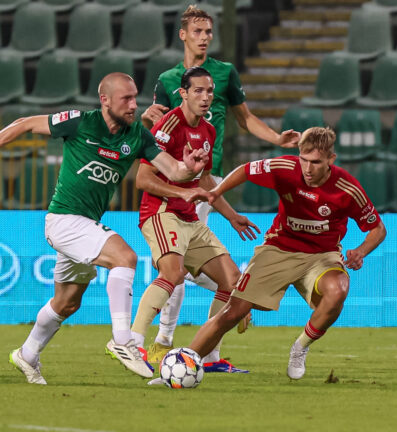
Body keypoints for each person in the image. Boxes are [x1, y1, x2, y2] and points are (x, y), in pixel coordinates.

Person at [0, 73, 210, 385]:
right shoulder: (80, 121)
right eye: (126, 99)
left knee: (67, 302)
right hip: (64, 220)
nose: (134, 105)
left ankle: (26, 355)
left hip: (85, 226)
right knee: (125, 258)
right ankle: (123, 339)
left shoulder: (137, 136)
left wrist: (190, 166)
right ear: (104, 100)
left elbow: (173, 170)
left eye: (135, 97)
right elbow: (24, 123)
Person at [139, 5, 301, 371]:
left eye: (208, 32)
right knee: (177, 270)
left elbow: (244, 119)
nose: (204, 37)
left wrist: (276, 137)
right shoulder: (168, 80)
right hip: (175, 185)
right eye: (197, 31)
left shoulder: (225, 74)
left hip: (207, 184)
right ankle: (164, 341)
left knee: (184, 270)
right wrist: (147, 118)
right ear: (183, 35)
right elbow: (155, 132)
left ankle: (202, 350)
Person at [172, 127, 386, 382]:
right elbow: (245, 170)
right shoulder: (285, 167)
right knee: (233, 311)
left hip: (322, 254)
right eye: (304, 160)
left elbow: (378, 229)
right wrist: (216, 193)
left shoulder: (346, 188)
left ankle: (300, 347)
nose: (307, 168)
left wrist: (361, 251)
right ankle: (184, 362)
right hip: (279, 247)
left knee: (338, 289)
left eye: (316, 162)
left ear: (331, 159)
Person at [130, 67, 259, 372]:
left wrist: (232, 216)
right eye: (198, 91)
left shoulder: (208, 131)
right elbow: (143, 179)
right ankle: (132, 343)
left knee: (232, 282)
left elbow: (203, 181)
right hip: (162, 212)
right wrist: (179, 191)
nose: (206, 97)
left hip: (190, 218)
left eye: (210, 91)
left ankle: (210, 357)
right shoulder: (168, 124)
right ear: (183, 93)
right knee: (172, 272)